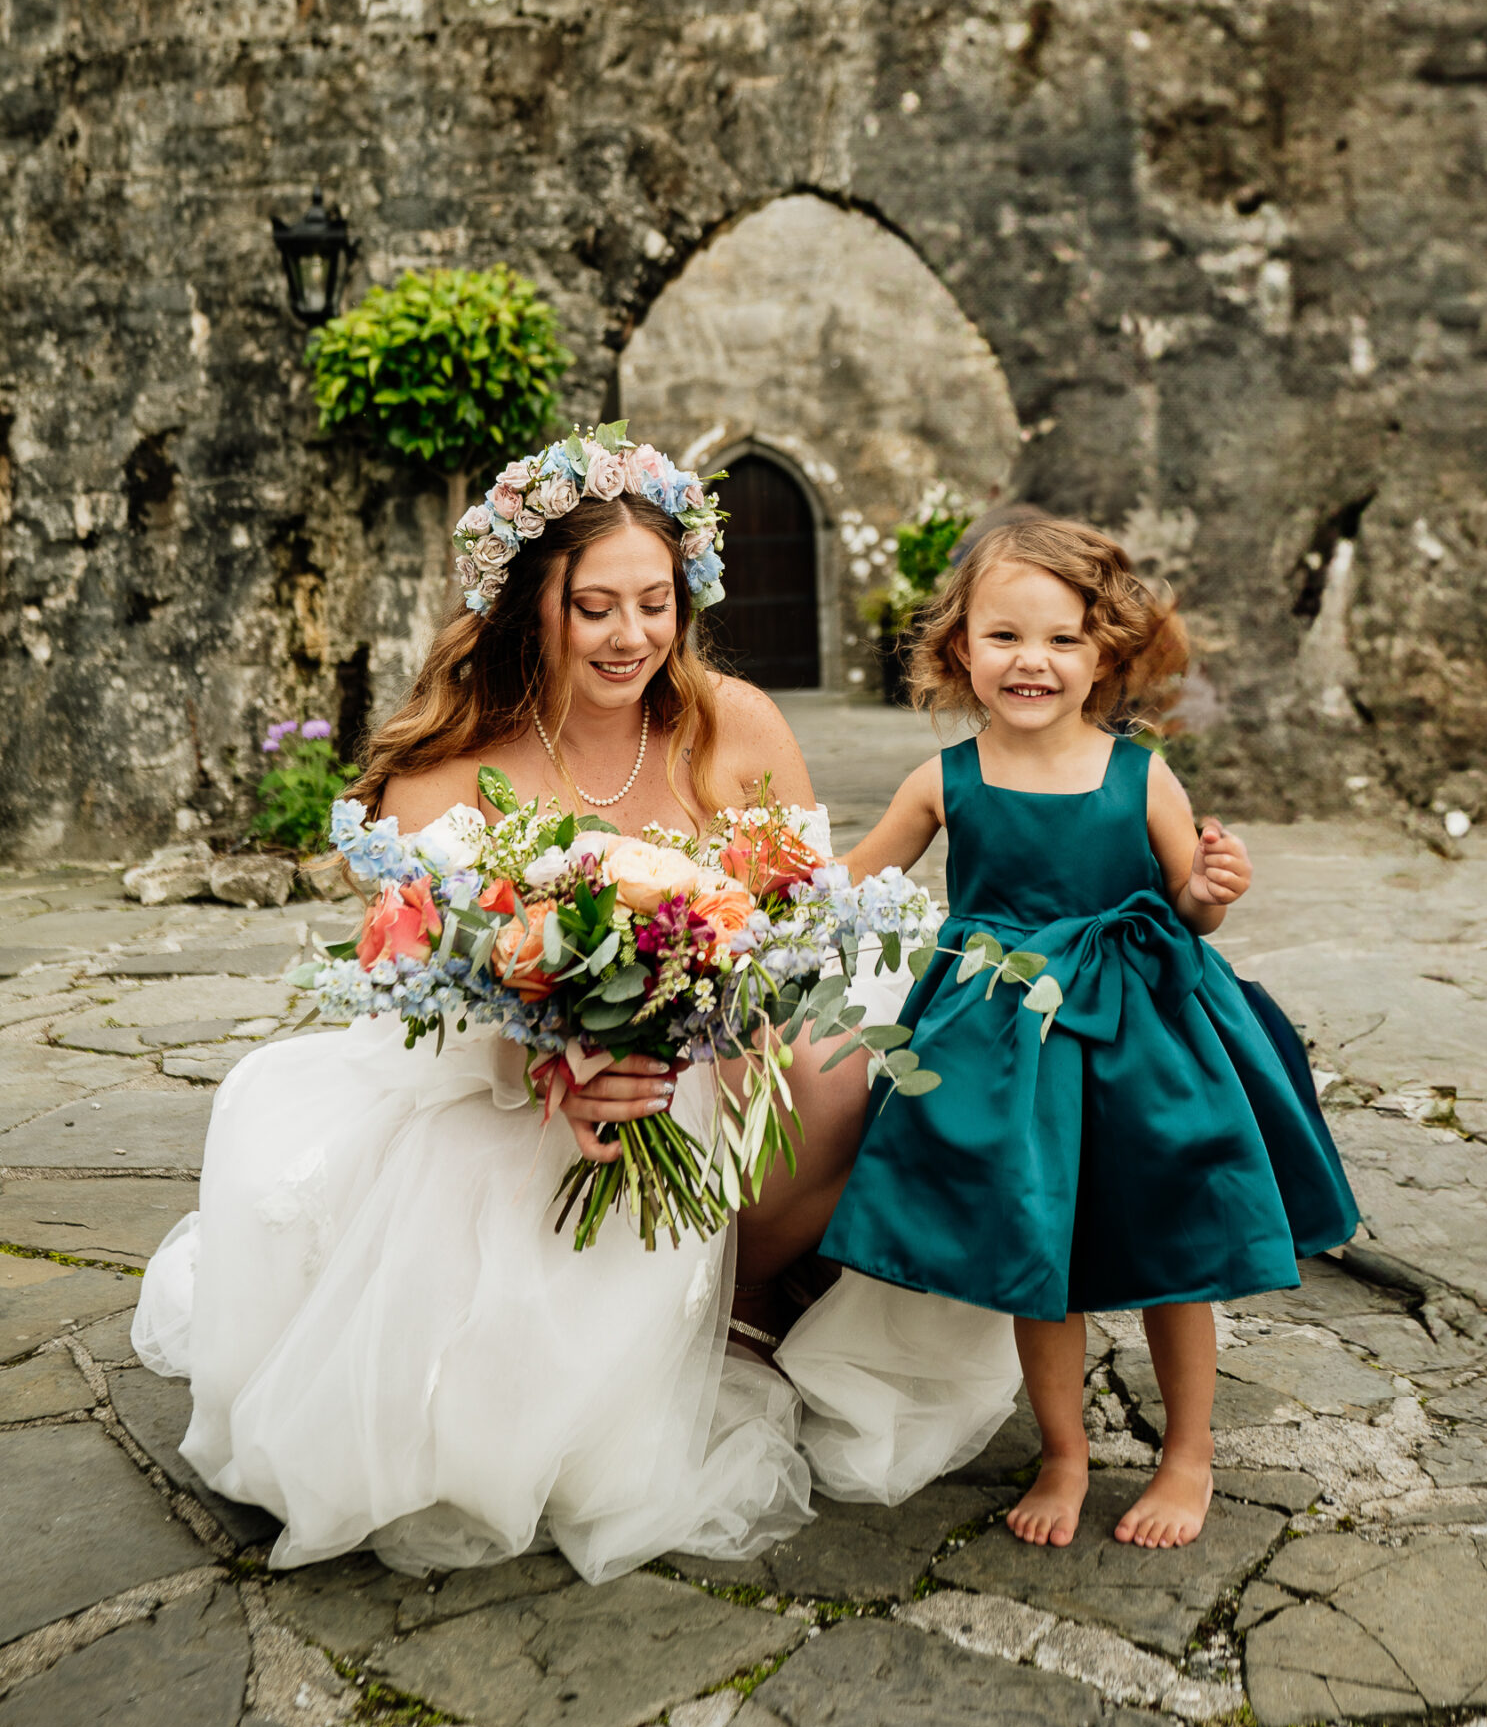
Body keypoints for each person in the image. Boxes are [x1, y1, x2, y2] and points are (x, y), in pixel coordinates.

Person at [131, 430, 1011, 1582]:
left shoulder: (735, 726)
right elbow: (407, 997)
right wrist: (547, 1070)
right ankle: (648, 1321)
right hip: (511, 1086)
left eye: (655, 602)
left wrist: (731, 1010)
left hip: (724, 1052)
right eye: (594, 605)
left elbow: (802, 922)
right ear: (525, 606)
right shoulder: (447, 770)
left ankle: (741, 1297)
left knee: (863, 1058)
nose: (632, 635)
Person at [818, 515, 1359, 1552]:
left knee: (1174, 1247)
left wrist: (1208, 890)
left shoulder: (1138, 773)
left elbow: (1186, 906)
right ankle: (1064, 1451)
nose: (1033, 661)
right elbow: (849, 882)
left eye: (1063, 638)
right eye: (1005, 636)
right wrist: (742, 894)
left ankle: (1187, 1452)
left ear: (1104, 650)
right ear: (958, 648)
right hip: (1006, 1040)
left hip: (1141, 1038)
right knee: (1041, 1249)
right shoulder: (945, 779)